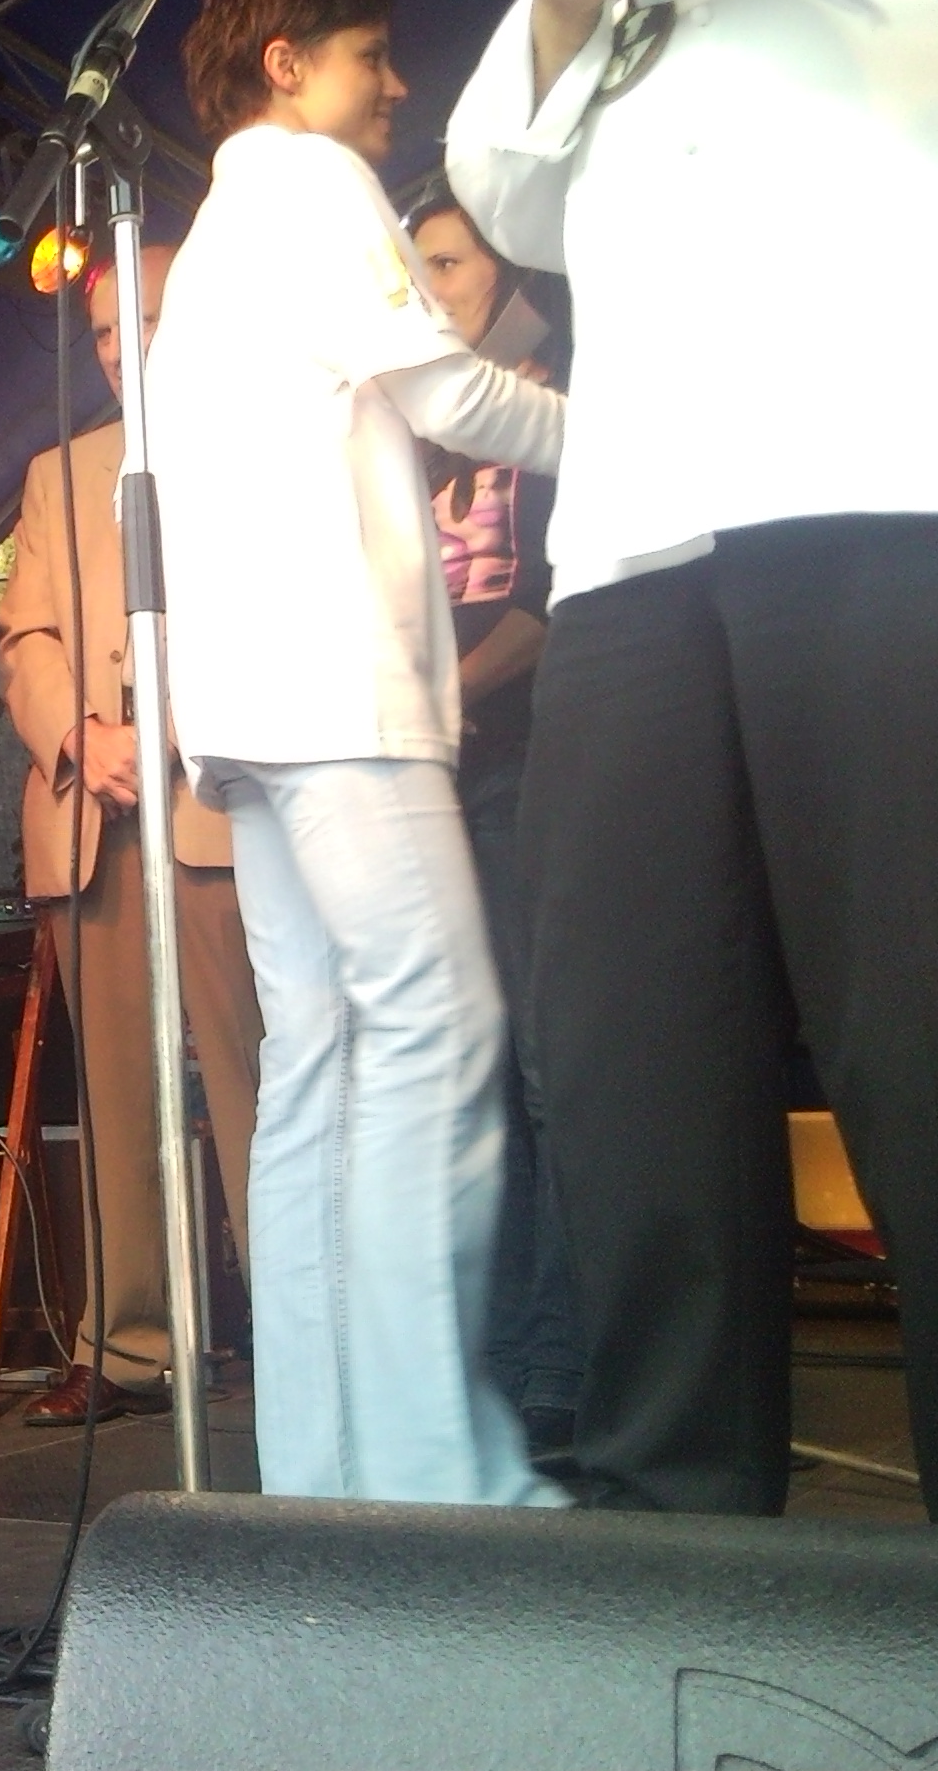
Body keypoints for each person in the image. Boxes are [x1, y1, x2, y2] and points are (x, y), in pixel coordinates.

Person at [447, 0, 938, 1517]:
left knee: (916, 1029)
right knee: (630, 1056)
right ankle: (674, 1545)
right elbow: (507, 202)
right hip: (637, 538)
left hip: (888, 481)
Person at [146, 0, 566, 1505]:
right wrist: (621, 433)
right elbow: (447, 390)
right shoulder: (316, 184)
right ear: (283, 63)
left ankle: (324, 1485)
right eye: (369, 56)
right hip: (337, 692)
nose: (394, 86)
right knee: (439, 1030)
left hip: (248, 711)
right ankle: (446, 1479)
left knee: (319, 1060)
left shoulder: (212, 244)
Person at [0, 246, 265, 1426]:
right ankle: (129, 1345)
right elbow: (23, 639)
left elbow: (277, 613)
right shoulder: (59, 471)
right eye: (104, 332)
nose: (120, 350)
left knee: (259, 1081)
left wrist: (162, 730)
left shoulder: (262, 441)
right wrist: (78, 736)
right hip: (90, 817)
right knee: (114, 1096)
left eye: (141, 321)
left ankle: (299, 1324)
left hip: (218, 803)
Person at [403, 187, 583, 1463]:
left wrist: (445, 703)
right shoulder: (414, 423)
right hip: (435, 775)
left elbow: (551, 602)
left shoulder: (549, 397)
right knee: (468, 1073)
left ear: (507, 270)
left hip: (524, 761)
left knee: (542, 1066)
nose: (431, 287)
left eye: (450, 263)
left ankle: (563, 1358)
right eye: (415, 267)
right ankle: (496, 1359)